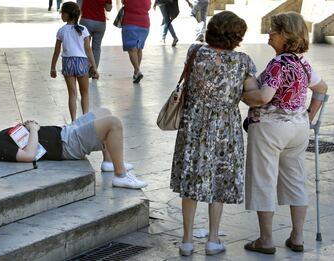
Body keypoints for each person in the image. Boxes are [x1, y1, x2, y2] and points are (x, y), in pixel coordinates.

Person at [170, 11, 258, 256]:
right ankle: (213, 239)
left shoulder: (194, 52)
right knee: (218, 180)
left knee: (191, 179)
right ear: (236, 36)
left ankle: (187, 240)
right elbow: (254, 95)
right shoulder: (243, 61)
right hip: (225, 126)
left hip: (194, 124)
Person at [242, 11, 328, 255]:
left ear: (286, 35)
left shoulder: (278, 64)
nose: (269, 34)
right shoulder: (302, 62)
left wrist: (243, 96)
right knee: (296, 180)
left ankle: (266, 240)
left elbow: (263, 97)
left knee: (263, 180)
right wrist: (308, 116)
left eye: (274, 31)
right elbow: (321, 88)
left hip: (270, 128)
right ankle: (297, 237)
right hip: (297, 130)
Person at [0, 108, 147, 189]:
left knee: (104, 111)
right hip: (66, 144)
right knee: (113, 123)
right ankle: (121, 176)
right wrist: (34, 130)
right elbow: (29, 155)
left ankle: (109, 162)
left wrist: (27, 126)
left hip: (65, 132)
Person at [50, 2, 98, 122]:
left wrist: (53, 67)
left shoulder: (61, 31)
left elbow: (56, 51)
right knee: (85, 93)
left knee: (72, 94)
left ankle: (73, 121)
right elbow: (88, 49)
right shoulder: (84, 30)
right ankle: (86, 119)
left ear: (67, 15)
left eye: (62, 13)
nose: (61, 15)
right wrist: (94, 67)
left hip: (68, 63)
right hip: (82, 62)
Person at [121, 0, 151, 84]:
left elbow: (123, 2)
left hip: (130, 22)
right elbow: (148, 7)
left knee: (132, 49)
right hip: (144, 24)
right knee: (139, 49)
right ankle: (136, 72)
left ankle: (137, 71)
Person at [80, 0, 112, 78]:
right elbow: (108, 8)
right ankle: (94, 71)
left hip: (86, 20)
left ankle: (86, 69)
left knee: (85, 46)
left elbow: (79, 4)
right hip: (100, 22)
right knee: (96, 48)